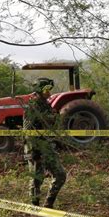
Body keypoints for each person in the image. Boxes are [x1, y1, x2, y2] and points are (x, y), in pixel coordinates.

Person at [23, 77, 66, 208]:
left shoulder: (45, 105)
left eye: (49, 89)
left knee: (60, 175)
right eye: (46, 89)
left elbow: (52, 125)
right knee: (37, 179)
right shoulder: (32, 107)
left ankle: (48, 205)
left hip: (47, 146)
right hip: (35, 147)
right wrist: (33, 151)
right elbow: (28, 131)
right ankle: (35, 207)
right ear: (39, 90)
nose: (49, 92)